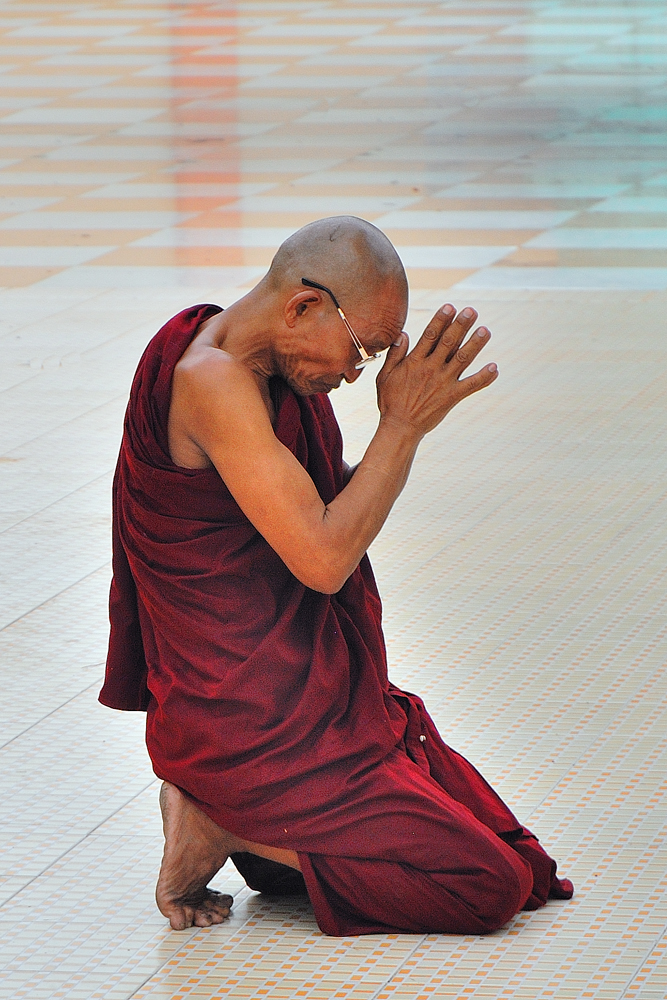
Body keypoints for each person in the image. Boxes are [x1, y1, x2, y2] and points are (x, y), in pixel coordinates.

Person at [100, 216, 572, 936]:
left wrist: (401, 428)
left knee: (526, 865)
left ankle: (265, 838)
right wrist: (401, 428)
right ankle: (220, 824)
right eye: (361, 351)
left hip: (308, 701)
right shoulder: (210, 382)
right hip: (249, 724)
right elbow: (323, 560)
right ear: (302, 307)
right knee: (486, 886)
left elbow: (316, 508)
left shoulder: (266, 368)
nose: (355, 375)